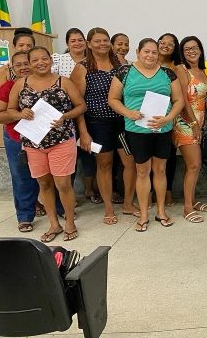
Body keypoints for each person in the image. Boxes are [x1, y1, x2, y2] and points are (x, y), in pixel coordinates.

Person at [7, 46, 87, 242]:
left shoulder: (63, 81)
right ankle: (54, 224)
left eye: (44, 58)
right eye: (35, 60)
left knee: (63, 184)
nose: (40, 63)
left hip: (61, 140)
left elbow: (81, 106)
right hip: (33, 142)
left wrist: (65, 116)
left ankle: (70, 222)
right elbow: (9, 110)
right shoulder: (20, 84)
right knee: (44, 183)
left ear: (51, 60)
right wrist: (20, 114)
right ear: (29, 64)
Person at [108, 38, 184, 232]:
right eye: (146, 51)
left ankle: (161, 211)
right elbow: (113, 99)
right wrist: (128, 112)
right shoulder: (125, 72)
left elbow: (179, 101)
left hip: (162, 129)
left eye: (154, 52)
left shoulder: (167, 73)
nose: (150, 55)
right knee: (142, 171)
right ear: (138, 52)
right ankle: (143, 214)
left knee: (160, 170)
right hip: (137, 130)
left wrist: (168, 118)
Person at [70, 28, 137, 225]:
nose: (102, 44)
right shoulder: (82, 68)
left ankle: (128, 204)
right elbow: (77, 104)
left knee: (130, 162)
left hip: (123, 122)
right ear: (89, 44)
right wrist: (83, 132)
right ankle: (108, 208)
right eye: (97, 41)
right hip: (97, 124)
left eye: (105, 40)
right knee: (104, 165)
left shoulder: (121, 65)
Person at [0, 51, 41, 232]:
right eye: (18, 65)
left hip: (45, 138)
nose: (23, 68)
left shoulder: (46, 83)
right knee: (21, 177)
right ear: (12, 68)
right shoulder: (8, 87)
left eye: (26, 63)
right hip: (16, 138)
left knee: (49, 176)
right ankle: (25, 216)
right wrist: (19, 115)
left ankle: (59, 209)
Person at [52, 27, 97, 203]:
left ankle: (90, 189)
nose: (77, 43)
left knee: (89, 153)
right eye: (73, 41)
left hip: (89, 113)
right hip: (64, 116)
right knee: (69, 157)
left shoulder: (93, 59)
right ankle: (68, 197)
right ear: (67, 43)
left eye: (80, 40)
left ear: (86, 42)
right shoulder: (58, 59)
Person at [173, 36, 207, 223]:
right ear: (182, 52)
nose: (191, 51)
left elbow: (205, 97)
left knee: (194, 165)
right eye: (187, 49)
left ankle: (193, 200)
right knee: (194, 164)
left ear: (200, 50)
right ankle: (187, 208)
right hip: (185, 123)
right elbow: (182, 100)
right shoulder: (181, 69)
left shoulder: (203, 71)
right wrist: (193, 124)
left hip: (200, 123)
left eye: (194, 47)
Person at [157, 33, 182, 206]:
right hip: (146, 117)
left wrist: (172, 116)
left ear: (175, 49)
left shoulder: (176, 67)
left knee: (168, 155)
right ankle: (151, 192)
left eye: (170, 44)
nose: (165, 46)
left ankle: (168, 192)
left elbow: (179, 95)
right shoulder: (146, 62)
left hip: (170, 115)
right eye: (162, 42)